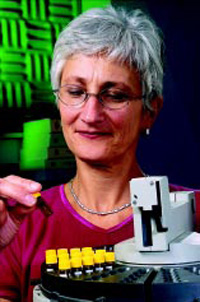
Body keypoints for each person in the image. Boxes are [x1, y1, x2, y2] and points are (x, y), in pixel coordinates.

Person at [0, 5, 200, 302]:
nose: (91, 115)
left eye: (115, 95)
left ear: (150, 111)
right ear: (58, 101)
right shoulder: (19, 223)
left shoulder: (196, 212)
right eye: (76, 92)